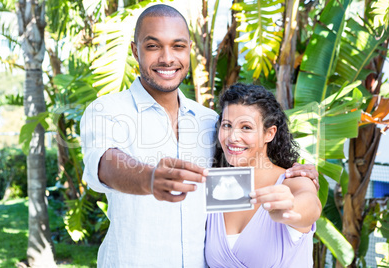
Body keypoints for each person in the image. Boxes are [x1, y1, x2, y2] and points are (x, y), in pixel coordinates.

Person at [80, 4, 319, 267]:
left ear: (189, 50)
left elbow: (249, 179)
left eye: (178, 46)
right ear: (136, 51)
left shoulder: (211, 122)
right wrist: (149, 178)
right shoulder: (108, 111)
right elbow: (105, 165)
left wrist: (297, 181)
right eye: (153, 46)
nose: (167, 58)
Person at [205, 83, 322, 267]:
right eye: (227, 125)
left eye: (246, 127)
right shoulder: (215, 188)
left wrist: (290, 208)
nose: (233, 136)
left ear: (269, 133)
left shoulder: (294, 180)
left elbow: (311, 206)